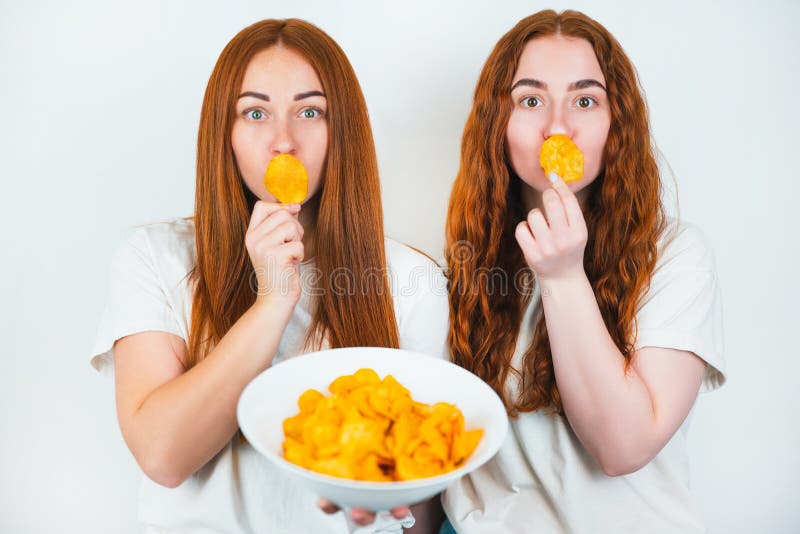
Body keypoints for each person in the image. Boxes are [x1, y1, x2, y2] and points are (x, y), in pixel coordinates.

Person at [89, 18, 447, 534]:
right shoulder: (153, 257)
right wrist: (272, 302)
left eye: (310, 111)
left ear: (342, 130)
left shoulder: (412, 280)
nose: (284, 141)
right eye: (256, 113)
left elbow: (422, 512)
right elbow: (163, 456)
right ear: (225, 135)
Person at [442, 10, 726, 534]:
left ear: (617, 121)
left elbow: (623, 448)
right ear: (496, 124)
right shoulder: (467, 262)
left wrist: (563, 278)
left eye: (585, 100)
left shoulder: (677, 255)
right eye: (530, 101)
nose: (558, 127)